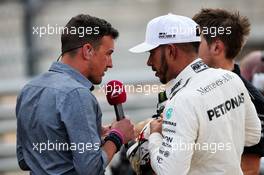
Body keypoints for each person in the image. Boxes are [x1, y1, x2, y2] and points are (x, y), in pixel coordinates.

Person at [129, 13, 261, 175]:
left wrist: (155, 135)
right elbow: (253, 136)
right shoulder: (230, 78)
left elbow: (169, 172)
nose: (149, 62)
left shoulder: (182, 101)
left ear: (171, 51)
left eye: (151, 53)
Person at [16, 14, 135, 175]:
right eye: (108, 53)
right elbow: (90, 169)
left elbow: (24, 160)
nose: (110, 63)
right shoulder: (77, 94)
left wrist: (90, 135)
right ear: (88, 51)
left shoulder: (28, 89)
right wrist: (117, 136)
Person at [193, 8, 264, 175]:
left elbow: (249, 169)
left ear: (216, 48)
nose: (187, 49)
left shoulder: (253, 100)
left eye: (194, 43)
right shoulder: (189, 88)